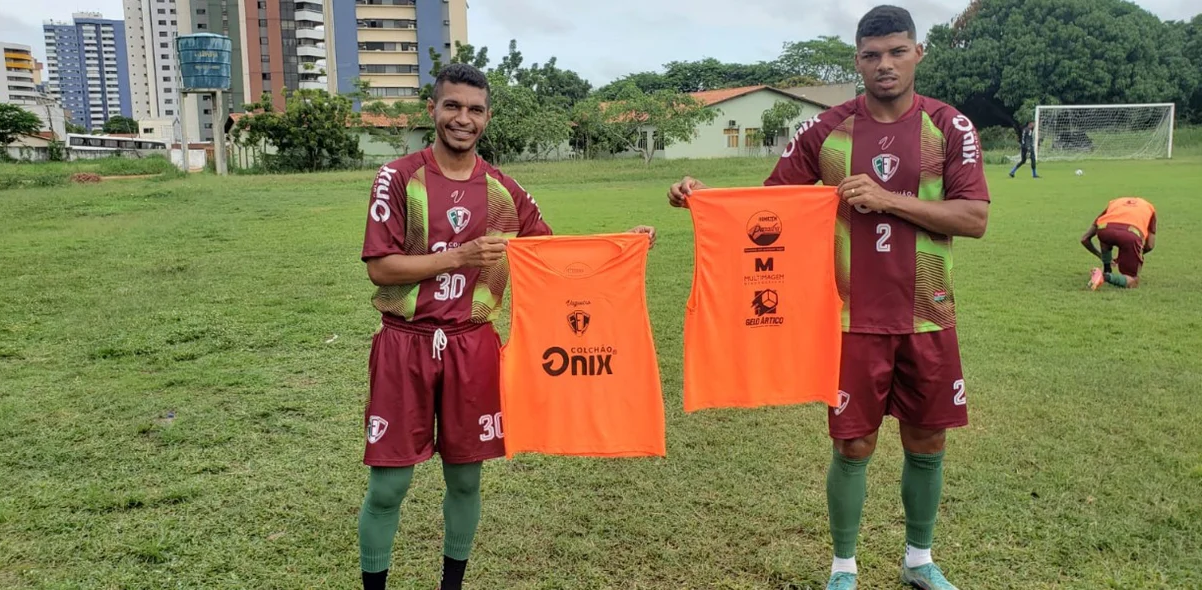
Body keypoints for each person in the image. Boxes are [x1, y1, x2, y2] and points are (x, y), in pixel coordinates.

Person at [667, 5, 989, 590]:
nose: (884, 64)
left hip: (928, 312)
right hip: (847, 316)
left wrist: (888, 199)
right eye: (871, 55)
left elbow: (973, 218)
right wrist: (703, 198)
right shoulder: (827, 129)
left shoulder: (951, 126)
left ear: (919, 53)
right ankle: (844, 568)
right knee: (854, 444)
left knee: (927, 438)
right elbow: (770, 206)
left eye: (896, 51)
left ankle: (919, 559)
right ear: (857, 61)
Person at [358, 63, 654, 590]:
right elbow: (381, 267)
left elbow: (553, 255)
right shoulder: (398, 177)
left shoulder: (503, 189)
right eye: (452, 106)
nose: (462, 119)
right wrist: (460, 256)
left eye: (474, 110)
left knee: (466, 481)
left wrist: (622, 246)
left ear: (487, 117)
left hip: (474, 347)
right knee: (389, 486)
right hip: (407, 344)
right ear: (433, 110)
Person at [1080, 196, 1156, 290]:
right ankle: (1104, 276)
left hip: (1105, 229)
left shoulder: (1114, 203)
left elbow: (1085, 239)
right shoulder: (1149, 208)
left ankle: (1107, 268)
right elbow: (1150, 245)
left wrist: (1100, 255)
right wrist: (1132, 256)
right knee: (1133, 281)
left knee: (1105, 236)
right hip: (1131, 235)